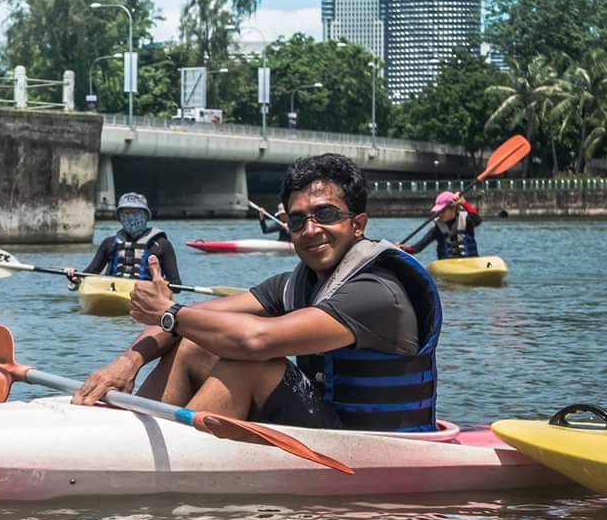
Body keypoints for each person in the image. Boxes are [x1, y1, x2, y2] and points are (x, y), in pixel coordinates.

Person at [73, 153, 442, 432]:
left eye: (326, 215)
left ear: (357, 224)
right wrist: (129, 361)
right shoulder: (295, 283)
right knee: (195, 341)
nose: (310, 230)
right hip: (327, 429)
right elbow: (204, 316)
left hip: (376, 445)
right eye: (297, 221)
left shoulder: (377, 293)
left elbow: (256, 341)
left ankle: (168, 457)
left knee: (247, 363)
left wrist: (168, 312)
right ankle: (129, 435)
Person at [65, 192, 181, 286]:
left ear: (146, 216)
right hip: (113, 291)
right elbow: (89, 274)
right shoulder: (109, 243)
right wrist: (74, 277)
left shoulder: (162, 245)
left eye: (136, 213)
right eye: (126, 213)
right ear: (119, 217)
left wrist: (161, 284)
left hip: (146, 294)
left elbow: (176, 285)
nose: (131, 217)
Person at [405, 191, 482, 259]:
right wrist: (403, 248)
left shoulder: (466, 220)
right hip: (446, 265)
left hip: (470, 263)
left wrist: (464, 203)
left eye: (443, 210)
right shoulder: (436, 229)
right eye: (438, 211)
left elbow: (477, 220)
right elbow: (417, 248)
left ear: (453, 207)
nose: (440, 214)